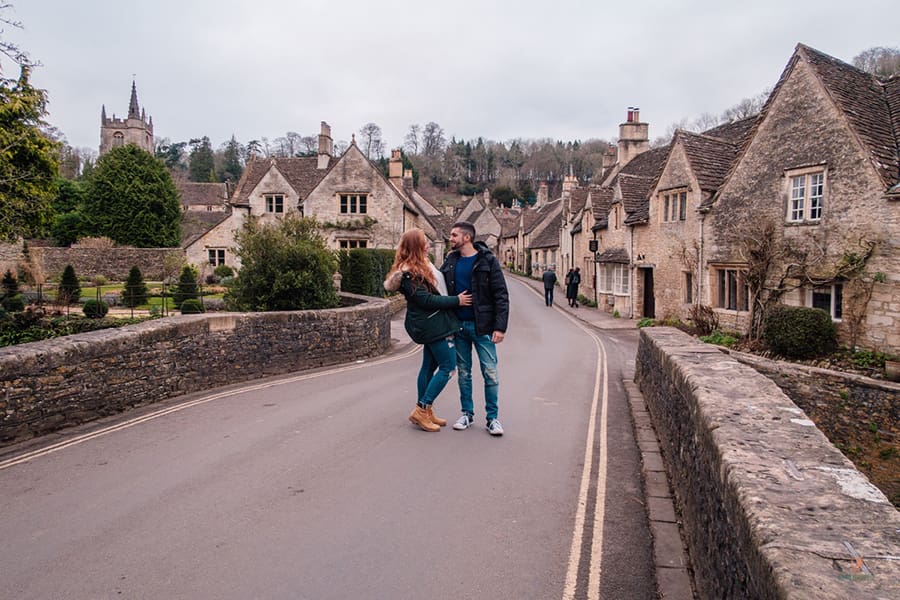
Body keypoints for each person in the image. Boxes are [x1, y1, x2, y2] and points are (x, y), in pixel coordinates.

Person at [384, 229, 472, 432]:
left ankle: (426, 409)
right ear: (416, 246)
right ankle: (421, 409)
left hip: (433, 322)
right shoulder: (408, 273)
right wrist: (456, 300)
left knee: (428, 367)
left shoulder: (422, 265)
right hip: (432, 324)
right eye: (425, 242)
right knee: (448, 367)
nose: (429, 245)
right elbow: (426, 300)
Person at [439, 221, 510, 436]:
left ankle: (492, 419)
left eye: (454, 235)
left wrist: (500, 327)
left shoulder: (487, 260)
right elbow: (440, 289)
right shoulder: (450, 261)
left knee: (490, 372)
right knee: (464, 373)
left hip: (483, 327)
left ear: (466, 237)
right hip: (458, 326)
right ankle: (467, 414)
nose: (450, 238)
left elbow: (501, 295)